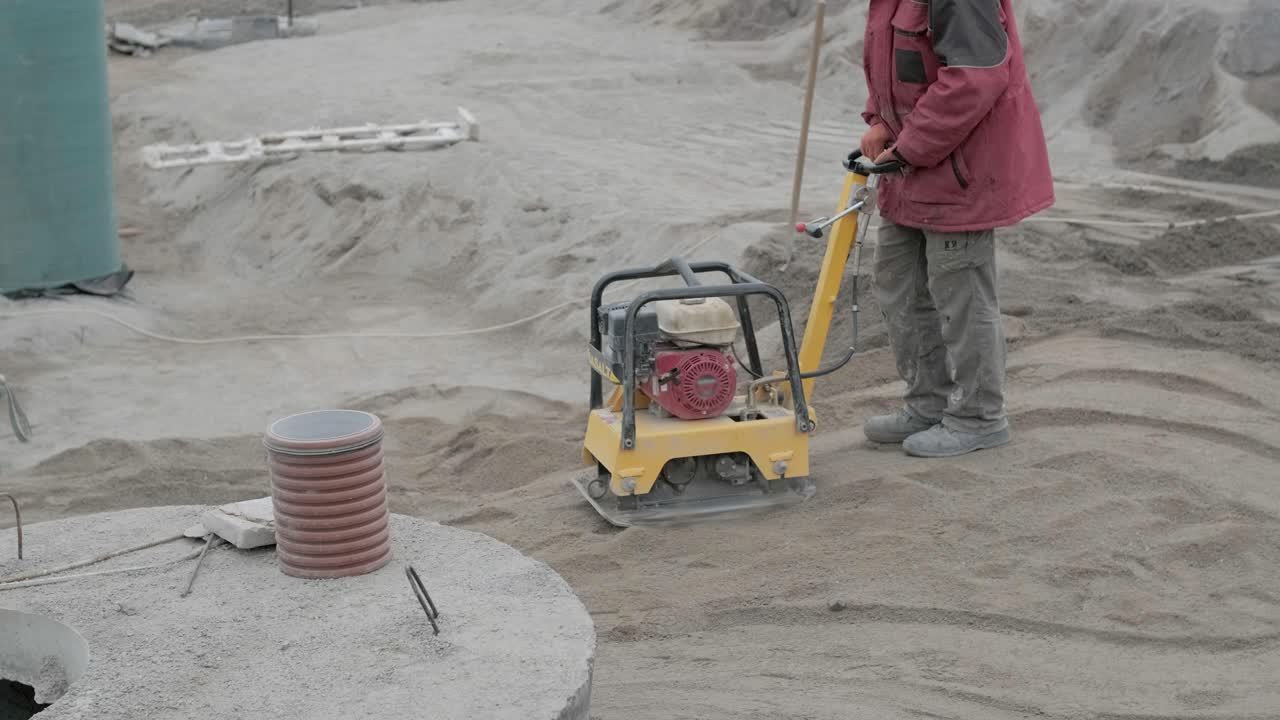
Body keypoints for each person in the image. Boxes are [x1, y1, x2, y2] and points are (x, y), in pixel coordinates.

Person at [857, 0, 1054, 457]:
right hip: (913, 165)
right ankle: (928, 405)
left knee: (961, 296)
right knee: (900, 287)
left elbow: (975, 79)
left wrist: (910, 146)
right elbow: (894, 62)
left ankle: (978, 417)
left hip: (960, 168)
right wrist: (879, 120)